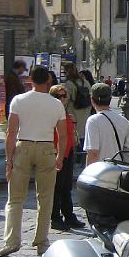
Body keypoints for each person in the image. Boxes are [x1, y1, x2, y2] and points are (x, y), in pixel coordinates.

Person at [0, 65, 66, 257]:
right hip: (46, 148)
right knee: (45, 198)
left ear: (30, 79)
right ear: (48, 80)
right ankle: (41, 241)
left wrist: (8, 160)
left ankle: (11, 241)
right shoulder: (56, 104)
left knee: (15, 198)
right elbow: (61, 135)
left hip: (24, 146)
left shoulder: (19, 100)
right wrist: (60, 157)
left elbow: (11, 133)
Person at [48, 84, 84, 231]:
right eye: (59, 96)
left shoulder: (65, 113)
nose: (62, 99)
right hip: (57, 152)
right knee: (56, 187)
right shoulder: (51, 113)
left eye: (64, 96)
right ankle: (56, 218)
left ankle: (69, 215)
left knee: (66, 187)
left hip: (68, 152)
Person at [84, 83, 129, 165]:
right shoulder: (123, 120)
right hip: (120, 170)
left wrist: (88, 174)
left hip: (101, 171)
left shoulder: (93, 121)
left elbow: (93, 153)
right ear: (110, 98)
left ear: (91, 99)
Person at [62, 62, 93, 155]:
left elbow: (65, 100)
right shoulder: (85, 82)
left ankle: (76, 158)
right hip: (86, 111)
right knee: (83, 135)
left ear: (67, 72)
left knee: (75, 136)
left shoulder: (69, 84)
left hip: (73, 113)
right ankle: (83, 159)